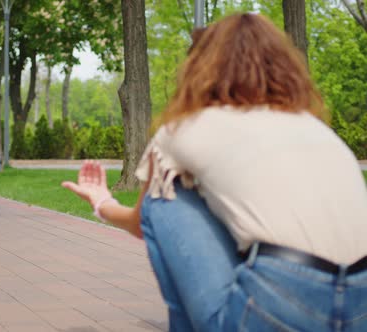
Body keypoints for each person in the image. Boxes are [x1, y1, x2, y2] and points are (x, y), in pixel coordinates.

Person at [62, 13, 367, 332]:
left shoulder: (184, 128)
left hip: (284, 301)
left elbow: (141, 222)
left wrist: (101, 202)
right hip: (361, 304)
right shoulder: (314, 127)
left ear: (201, 67)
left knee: (166, 197)